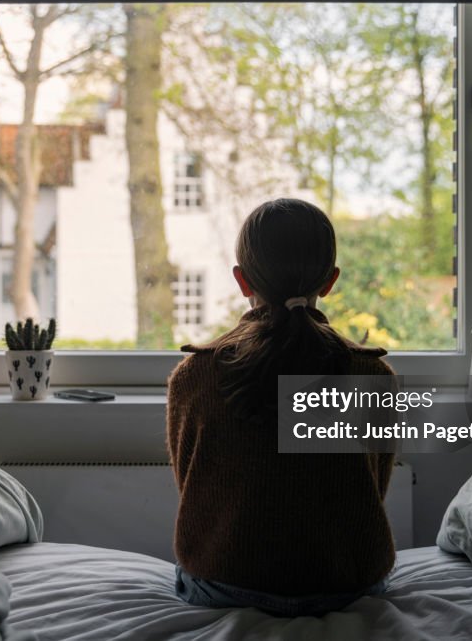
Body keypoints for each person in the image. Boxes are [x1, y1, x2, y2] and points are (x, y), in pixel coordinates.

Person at [167, 198, 397, 618]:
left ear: (242, 281)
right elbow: (371, 492)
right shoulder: (373, 375)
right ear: (329, 282)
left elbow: (194, 490)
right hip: (346, 587)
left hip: (225, 586)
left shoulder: (194, 376)